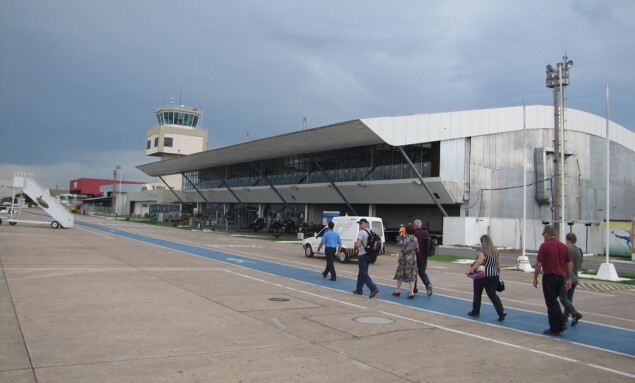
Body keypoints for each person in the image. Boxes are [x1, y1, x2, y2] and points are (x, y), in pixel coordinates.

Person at [533, 225, 573, 336]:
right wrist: (568, 278)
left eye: (543, 234)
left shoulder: (545, 246)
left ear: (547, 233)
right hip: (561, 277)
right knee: (554, 302)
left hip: (549, 277)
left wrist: (535, 277)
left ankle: (555, 327)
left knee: (551, 303)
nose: (543, 236)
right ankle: (560, 323)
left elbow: (539, 263)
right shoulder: (563, 246)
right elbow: (569, 263)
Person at [465, 235, 506, 321]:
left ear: (483, 242)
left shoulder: (482, 251)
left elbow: (479, 262)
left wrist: (470, 270)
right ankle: (501, 312)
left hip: (482, 275)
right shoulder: (496, 252)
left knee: (477, 294)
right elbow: (498, 265)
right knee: (492, 294)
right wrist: (497, 275)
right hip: (494, 275)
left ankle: (475, 311)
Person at [352, 218, 379, 298]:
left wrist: (355, 244)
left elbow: (357, 245)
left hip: (362, 254)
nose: (360, 225)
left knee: (363, 273)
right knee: (361, 272)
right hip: (369, 254)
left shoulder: (361, 232)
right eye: (359, 224)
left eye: (361, 223)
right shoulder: (371, 232)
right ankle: (359, 289)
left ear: (365, 224)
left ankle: (373, 288)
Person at [562, 232, 583, 326]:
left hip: (567, 277)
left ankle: (574, 313)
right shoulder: (579, 250)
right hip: (575, 277)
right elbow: (580, 265)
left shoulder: (566, 248)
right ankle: (566, 315)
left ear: (568, 240)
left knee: (563, 297)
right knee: (569, 298)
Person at [392, 224, 419, 299]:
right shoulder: (415, 238)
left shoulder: (404, 238)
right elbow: (417, 249)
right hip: (413, 258)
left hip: (405, 258)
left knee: (400, 272)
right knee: (412, 274)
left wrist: (399, 257)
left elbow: (402, 248)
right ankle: (412, 292)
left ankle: (398, 290)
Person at [412, 219, 433, 296]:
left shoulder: (414, 233)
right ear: (421, 225)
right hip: (423, 256)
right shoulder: (425, 233)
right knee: (422, 272)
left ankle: (413, 289)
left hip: (414, 257)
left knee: (414, 274)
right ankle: (428, 284)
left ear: (415, 225)